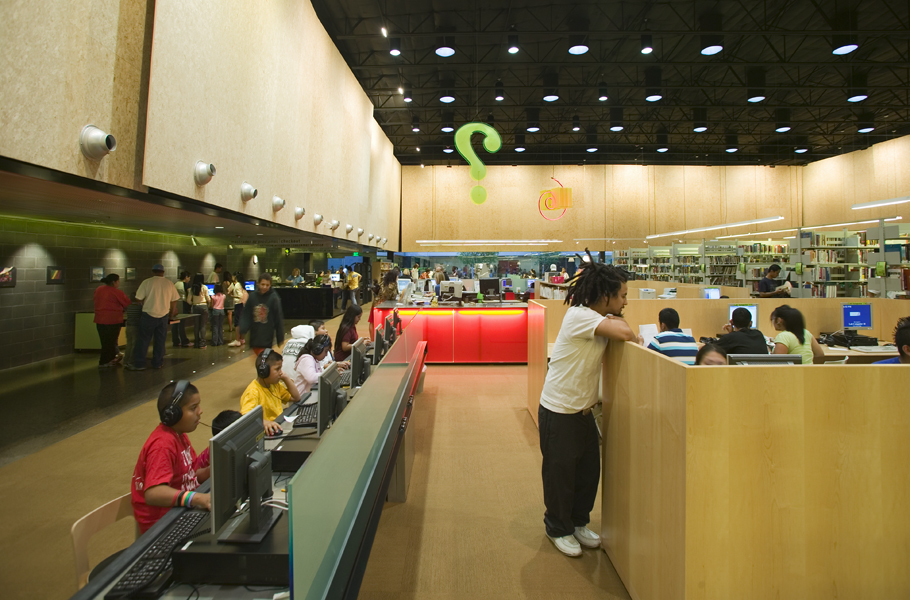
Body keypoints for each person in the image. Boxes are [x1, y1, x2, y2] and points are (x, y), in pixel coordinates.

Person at [538, 250, 641, 558]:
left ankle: (578, 523)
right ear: (606, 294)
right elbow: (626, 333)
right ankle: (558, 527)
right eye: (621, 295)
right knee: (560, 475)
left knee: (587, 473)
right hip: (559, 409)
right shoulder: (581, 316)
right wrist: (616, 319)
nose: (625, 302)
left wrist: (612, 315)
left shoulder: (596, 317)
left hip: (583, 410)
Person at [131, 381, 211, 534]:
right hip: (162, 526)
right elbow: (154, 493)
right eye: (193, 408)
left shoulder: (180, 435)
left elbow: (190, 477)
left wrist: (210, 470)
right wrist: (198, 498)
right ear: (173, 414)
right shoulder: (162, 445)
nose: (200, 411)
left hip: (179, 512)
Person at [129, 264, 179, 371]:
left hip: (148, 315)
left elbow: (138, 298)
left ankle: (140, 364)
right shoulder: (169, 283)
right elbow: (174, 300)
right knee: (160, 341)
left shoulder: (147, 282)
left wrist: (145, 302)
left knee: (143, 340)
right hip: (163, 315)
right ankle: (157, 363)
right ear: (163, 272)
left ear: (153, 271)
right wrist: (171, 314)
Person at [240, 348, 301, 435]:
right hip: (268, 432)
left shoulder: (275, 385)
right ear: (264, 371)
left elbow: (296, 397)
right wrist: (264, 422)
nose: (281, 372)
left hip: (279, 424)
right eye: (277, 369)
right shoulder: (253, 392)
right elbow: (245, 417)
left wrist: (286, 378)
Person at [239, 273, 285, 356]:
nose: (264, 287)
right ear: (258, 283)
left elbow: (278, 317)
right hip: (255, 333)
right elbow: (246, 314)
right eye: (263, 284)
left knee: (264, 358)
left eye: (267, 285)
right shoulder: (253, 296)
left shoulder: (274, 298)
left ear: (270, 285)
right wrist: (243, 328)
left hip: (267, 333)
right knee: (258, 356)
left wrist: (280, 336)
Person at [93, 273, 131, 367]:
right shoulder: (117, 292)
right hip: (113, 320)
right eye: (118, 281)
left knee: (105, 341)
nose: (118, 283)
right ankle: (105, 361)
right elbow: (127, 303)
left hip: (99, 319)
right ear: (114, 282)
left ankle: (110, 359)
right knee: (111, 341)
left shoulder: (99, 289)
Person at [186, 273, 211, 349]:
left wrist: (193, 304)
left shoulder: (192, 289)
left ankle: (196, 342)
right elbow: (208, 299)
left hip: (195, 307)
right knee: (203, 325)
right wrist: (208, 305)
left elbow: (188, 300)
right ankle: (202, 343)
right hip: (203, 306)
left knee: (196, 325)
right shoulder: (204, 287)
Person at [171, 271, 191, 347]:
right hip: (183, 304)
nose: (189, 279)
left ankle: (175, 340)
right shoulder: (186, 285)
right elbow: (189, 295)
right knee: (181, 324)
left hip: (175, 304)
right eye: (189, 277)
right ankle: (184, 340)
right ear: (186, 277)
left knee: (174, 323)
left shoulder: (175, 284)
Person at [122, 294, 142, 370]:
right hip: (136, 327)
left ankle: (125, 361)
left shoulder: (129, 307)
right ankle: (131, 362)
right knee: (135, 345)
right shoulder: (140, 308)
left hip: (128, 327)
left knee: (129, 344)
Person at [228, 272, 246, 346]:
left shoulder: (237, 285)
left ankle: (237, 339)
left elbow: (240, 296)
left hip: (238, 304)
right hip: (241, 305)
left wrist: (233, 296)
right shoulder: (237, 284)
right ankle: (241, 338)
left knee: (237, 322)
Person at [222, 273, 237, 341]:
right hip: (230, 299)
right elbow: (230, 291)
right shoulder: (229, 283)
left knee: (225, 313)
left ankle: (223, 328)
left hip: (224, 299)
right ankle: (230, 327)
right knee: (230, 313)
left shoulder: (222, 283)